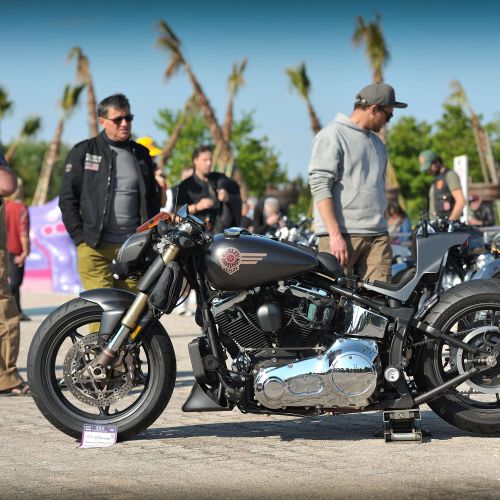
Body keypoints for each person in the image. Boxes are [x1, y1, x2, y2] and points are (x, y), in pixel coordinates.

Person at [59, 93, 161, 291]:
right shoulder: (83, 151)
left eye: (128, 118)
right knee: (102, 307)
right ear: (102, 121)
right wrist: (80, 238)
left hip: (133, 249)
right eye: (118, 119)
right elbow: (67, 198)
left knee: (134, 308)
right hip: (94, 247)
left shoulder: (141, 154)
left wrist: (148, 237)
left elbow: (152, 200)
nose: (124, 123)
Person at [309, 82, 408, 282]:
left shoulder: (378, 144)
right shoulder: (332, 135)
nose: (388, 121)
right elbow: (320, 185)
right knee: (334, 298)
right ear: (373, 109)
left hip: (377, 235)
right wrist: (334, 235)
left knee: (380, 298)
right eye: (388, 116)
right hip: (340, 235)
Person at [0, 148, 29, 395]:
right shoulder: (19, 207)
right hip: (11, 251)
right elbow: (6, 185)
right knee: (4, 305)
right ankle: (5, 377)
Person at [176, 145, 242, 233]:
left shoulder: (219, 178)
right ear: (195, 160)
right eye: (205, 160)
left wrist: (225, 194)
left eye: (210, 160)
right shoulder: (185, 185)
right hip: (196, 234)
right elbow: (178, 212)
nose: (209, 163)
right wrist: (197, 206)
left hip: (221, 233)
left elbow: (233, 185)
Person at [5, 177, 30, 320]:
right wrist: (25, 252)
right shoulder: (21, 208)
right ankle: (10, 311)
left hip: (4, 249)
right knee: (15, 283)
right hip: (16, 250)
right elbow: (23, 232)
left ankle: (18, 311)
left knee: (11, 282)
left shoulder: (5, 206)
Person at [419, 150, 466, 221]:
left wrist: (450, 222)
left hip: (446, 225)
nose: (428, 170)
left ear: (437, 162)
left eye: (430, 167)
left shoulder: (450, 175)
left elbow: (461, 201)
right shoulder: (435, 180)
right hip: (435, 224)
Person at [137, 136, 167, 208]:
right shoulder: (134, 169)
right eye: (150, 156)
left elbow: (163, 204)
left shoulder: (155, 169)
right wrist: (153, 178)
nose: (153, 158)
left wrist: (162, 187)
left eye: (154, 156)